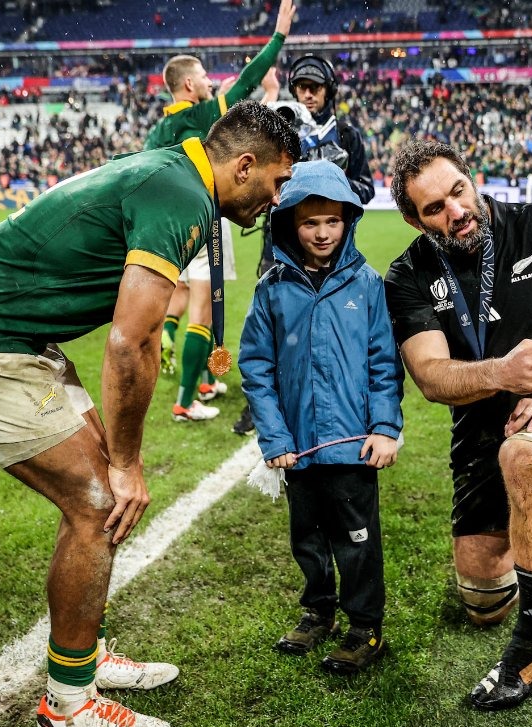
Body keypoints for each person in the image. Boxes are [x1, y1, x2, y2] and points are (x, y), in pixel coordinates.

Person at [0, 102, 300, 727]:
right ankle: (67, 703)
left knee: (99, 503)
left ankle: (84, 657)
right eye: (278, 183)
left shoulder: (176, 177)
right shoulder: (182, 194)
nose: (275, 200)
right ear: (244, 165)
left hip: (5, 335)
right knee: (100, 501)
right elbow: (128, 342)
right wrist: (128, 462)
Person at [385, 138, 532, 710]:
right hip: (479, 429)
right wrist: (502, 372)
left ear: (473, 179)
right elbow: (433, 378)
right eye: (434, 208)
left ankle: (531, 648)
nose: (456, 212)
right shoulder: (408, 275)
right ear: (416, 221)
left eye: (458, 191)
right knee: (482, 602)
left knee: (528, 459)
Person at [239, 159, 403, 674]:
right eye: (310, 222)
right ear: (289, 224)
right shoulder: (271, 289)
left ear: (348, 220)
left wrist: (384, 427)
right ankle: (318, 612)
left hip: (354, 446)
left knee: (356, 539)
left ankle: (364, 628)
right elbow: (256, 368)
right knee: (306, 536)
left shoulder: (367, 285)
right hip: (298, 447)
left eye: (332, 221)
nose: (322, 232)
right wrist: (274, 436)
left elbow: (384, 363)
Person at [145, 0, 294, 423]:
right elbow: (249, 79)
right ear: (189, 84)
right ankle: (186, 400)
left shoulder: (161, 127)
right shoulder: (203, 113)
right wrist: (279, 33)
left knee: (198, 299)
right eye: (205, 77)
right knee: (204, 309)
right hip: (204, 218)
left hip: (172, 227)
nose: (211, 82)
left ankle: (207, 380)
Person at [232, 51, 375, 436]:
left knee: (337, 328)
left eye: (315, 87)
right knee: (275, 325)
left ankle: (341, 400)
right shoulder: (281, 128)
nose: (307, 93)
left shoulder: (347, 135)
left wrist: (335, 179)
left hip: (334, 250)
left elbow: (367, 187)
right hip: (281, 247)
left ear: (329, 90)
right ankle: (259, 407)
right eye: (301, 87)